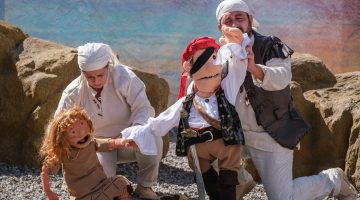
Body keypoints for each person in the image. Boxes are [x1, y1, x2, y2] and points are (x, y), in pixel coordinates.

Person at [214, 0, 358, 199]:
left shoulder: (271, 45)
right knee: (200, 146)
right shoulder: (218, 53)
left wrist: (253, 67)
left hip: (271, 133)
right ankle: (241, 179)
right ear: (220, 27)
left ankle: (332, 180)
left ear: (250, 20)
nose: (234, 23)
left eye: (239, 17)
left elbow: (282, 77)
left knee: (282, 197)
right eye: (228, 20)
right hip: (236, 134)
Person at [121, 27, 251, 200]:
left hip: (225, 141)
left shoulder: (227, 87)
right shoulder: (189, 98)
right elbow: (165, 119)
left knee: (228, 179)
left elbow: (239, 67)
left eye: (214, 59)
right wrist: (141, 133)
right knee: (207, 180)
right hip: (198, 147)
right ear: (190, 69)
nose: (211, 70)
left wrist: (238, 45)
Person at [55, 43, 162, 199]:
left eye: (100, 75)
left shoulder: (125, 77)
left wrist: (137, 129)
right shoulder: (73, 93)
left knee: (153, 137)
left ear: (108, 67)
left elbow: (144, 108)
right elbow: (59, 127)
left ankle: (145, 187)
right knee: (101, 185)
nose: (96, 81)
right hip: (98, 146)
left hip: (128, 140)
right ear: (83, 73)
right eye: (90, 77)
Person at [40, 106, 135, 200]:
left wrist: (124, 141)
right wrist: (48, 192)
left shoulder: (92, 143)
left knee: (121, 181)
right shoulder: (64, 153)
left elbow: (111, 143)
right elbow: (45, 171)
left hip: (102, 185)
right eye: (73, 132)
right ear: (62, 138)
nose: (81, 133)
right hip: (82, 196)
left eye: (82, 124)